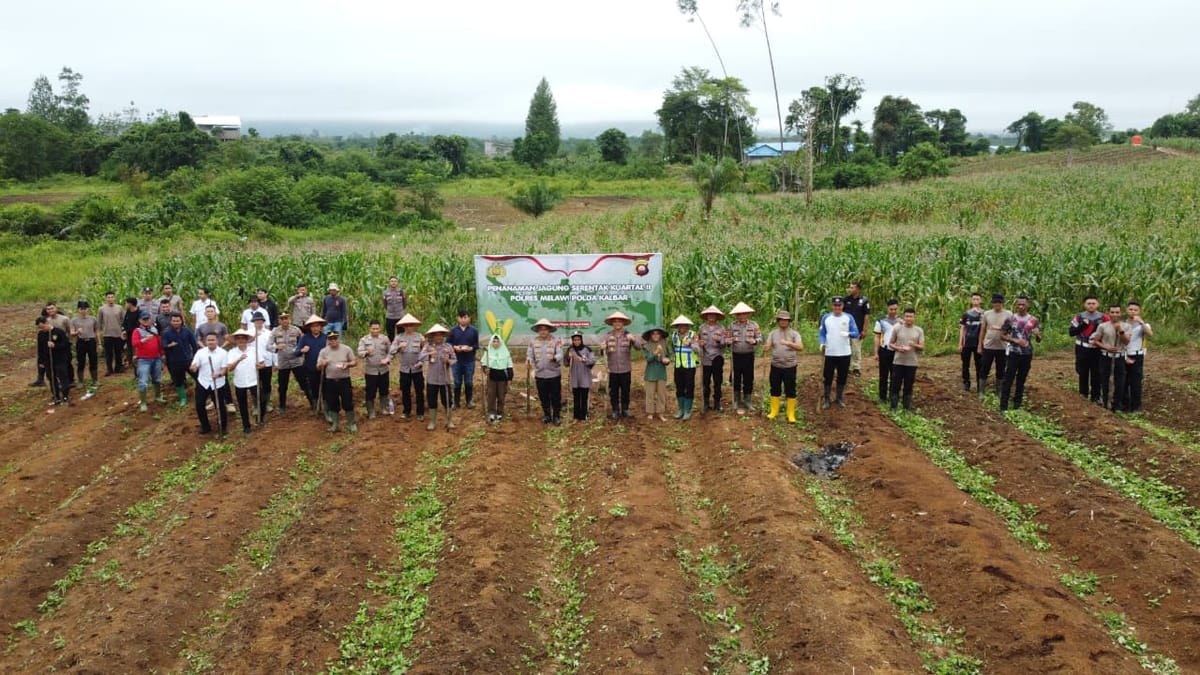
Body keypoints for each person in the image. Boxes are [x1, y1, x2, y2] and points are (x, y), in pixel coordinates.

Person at [999, 296, 1041, 412]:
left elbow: (1038, 339)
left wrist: (1037, 335)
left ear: (1028, 305)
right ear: (1016, 305)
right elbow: (1002, 335)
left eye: (1023, 304)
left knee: (1021, 380)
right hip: (1013, 352)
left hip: (1027, 354)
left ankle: (1017, 405)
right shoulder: (1011, 319)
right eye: (1019, 304)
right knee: (1008, 379)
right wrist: (1015, 340)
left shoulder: (1033, 320)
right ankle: (1003, 407)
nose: (1021, 307)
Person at [601, 311, 645, 420]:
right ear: (612, 323)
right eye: (615, 321)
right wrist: (602, 349)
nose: (617, 323)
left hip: (625, 369)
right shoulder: (607, 336)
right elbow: (602, 353)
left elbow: (639, 347)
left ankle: (625, 409)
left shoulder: (629, 335)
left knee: (625, 390)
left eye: (619, 321)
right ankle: (615, 410)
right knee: (613, 391)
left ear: (623, 323)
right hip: (612, 370)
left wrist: (634, 340)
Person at [818, 296, 859, 409]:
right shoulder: (826, 318)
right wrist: (822, 343)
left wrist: (848, 334)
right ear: (832, 306)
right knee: (828, 376)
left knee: (842, 376)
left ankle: (839, 397)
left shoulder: (848, 317)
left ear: (843, 306)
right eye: (835, 305)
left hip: (844, 353)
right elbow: (822, 333)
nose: (837, 307)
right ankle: (826, 398)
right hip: (830, 353)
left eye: (839, 305)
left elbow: (856, 333)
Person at [764, 310, 804, 423]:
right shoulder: (773, 333)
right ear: (778, 321)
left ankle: (790, 414)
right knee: (774, 388)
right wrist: (766, 347)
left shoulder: (794, 334)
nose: (783, 322)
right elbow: (768, 345)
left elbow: (800, 347)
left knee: (790, 389)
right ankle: (774, 411)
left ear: (789, 321)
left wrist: (788, 343)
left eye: (785, 320)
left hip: (790, 366)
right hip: (776, 365)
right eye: (781, 320)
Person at [190, 333, 231, 436]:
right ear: (205, 341)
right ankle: (205, 426)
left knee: (220, 405)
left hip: (217, 384)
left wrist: (219, 374)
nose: (211, 342)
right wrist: (193, 367)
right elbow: (194, 365)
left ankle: (223, 427)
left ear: (217, 341)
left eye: (213, 340)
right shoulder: (200, 353)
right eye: (209, 340)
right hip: (203, 383)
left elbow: (224, 369)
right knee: (199, 405)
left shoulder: (223, 353)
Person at [1090, 304, 1129, 411]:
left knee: (1120, 382)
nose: (1115, 314)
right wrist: (1106, 347)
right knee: (1105, 380)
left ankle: (1116, 405)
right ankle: (1105, 403)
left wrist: (1120, 331)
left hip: (1119, 357)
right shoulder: (1103, 326)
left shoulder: (1126, 326)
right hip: (1106, 357)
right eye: (1112, 312)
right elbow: (1096, 341)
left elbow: (1126, 341)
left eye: (1117, 312)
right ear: (1108, 313)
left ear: (1121, 313)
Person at [318, 330, 358, 432]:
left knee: (348, 402)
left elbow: (354, 362)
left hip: (344, 380)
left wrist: (348, 364)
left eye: (335, 338)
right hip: (330, 381)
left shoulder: (346, 349)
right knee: (332, 403)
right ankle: (335, 424)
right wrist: (322, 364)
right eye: (331, 339)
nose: (333, 341)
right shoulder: (323, 351)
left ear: (338, 338)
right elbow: (318, 366)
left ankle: (351, 424)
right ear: (328, 340)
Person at [420, 323, 457, 431]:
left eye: (440, 335)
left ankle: (449, 421)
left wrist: (448, 361)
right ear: (432, 336)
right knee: (432, 400)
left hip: (445, 379)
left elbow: (455, 359)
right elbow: (420, 357)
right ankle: (432, 422)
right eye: (436, 335)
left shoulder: (448, 347)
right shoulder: (428, 347)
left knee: (447, 400)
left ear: (443, 336)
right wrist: (429, 353)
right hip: (432, 379)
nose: (438, 337)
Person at [1069, 296, 1107, 403]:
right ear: (1084, 305)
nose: (1091, 305)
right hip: (1082, 348)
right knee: (1083, 372)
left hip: (1097, 349)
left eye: (1093, 303)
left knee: (1097, 373)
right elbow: (1071, 332)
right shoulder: (1079, 317)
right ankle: (1083, 395)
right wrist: (1082, 325)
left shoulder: (1103, 318)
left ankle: (1096, 396)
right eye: (1089, 303)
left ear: (1098, 304)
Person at [389, 314, 426, 420]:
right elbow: (391, 351)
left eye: (411, 325)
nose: (409, 327)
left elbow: (426, 351)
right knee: (405, 391)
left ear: (414, 326)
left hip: (417, 369)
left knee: (419, 391)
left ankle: (420, 412)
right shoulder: (399, 337)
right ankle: (407, 411)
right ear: (404, 326)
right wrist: (398, 346)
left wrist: (421, 362)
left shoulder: (420, 337)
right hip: (404, 369)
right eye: (407, 325)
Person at [887, 308, 925, 411]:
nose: (908, 318)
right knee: (895, 385)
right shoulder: (897, 329)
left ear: (914, 318)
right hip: (898, 361)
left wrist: (914, 345)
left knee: (908, 386)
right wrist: (898, 348)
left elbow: (922, 347)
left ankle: (906, 408)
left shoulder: (919, 330)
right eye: (907, 316)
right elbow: (890, 343)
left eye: (911, 316)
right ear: (904, 317)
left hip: (912, 363)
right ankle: (893, 407)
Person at [727, 302, 762, 414]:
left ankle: (747, 400)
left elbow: (760, 338)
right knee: (736, 377)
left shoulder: (754, 325)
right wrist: (729, 341)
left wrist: (755, 341)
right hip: (736, 355)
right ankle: (737, 400)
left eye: (744, 314)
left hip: (748, 355)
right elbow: (726, 339)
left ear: (748, 314)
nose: (742, 316)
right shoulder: (732, 326)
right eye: (739, 314)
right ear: (736, 315)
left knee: (748, 377)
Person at [527, 318, 564, 424]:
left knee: (556, 396)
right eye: (541, 329)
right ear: (538, 330)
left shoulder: (556, 341)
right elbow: (529, 355)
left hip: (554, 374)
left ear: (549, 330)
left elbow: (560, 354)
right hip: (540, 375)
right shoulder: (533, 342)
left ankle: (556, 416)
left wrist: (554, 357)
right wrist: (528, 361)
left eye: (545, 329)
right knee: (543, 396)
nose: (543, 331)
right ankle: (547, 415)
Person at [977, 293, 1013, 399]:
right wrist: (980, 344)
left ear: (1002, 303)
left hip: (1002, 347)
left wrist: (1001, 328)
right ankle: (981, 392)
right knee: (984, 369)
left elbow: (1012, 329)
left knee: (1001, 369)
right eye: (995, 302)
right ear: (992, 303)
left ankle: (999, 392)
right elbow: (982, 330)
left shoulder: (1009, 314)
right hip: (988, 346)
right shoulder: (986, 314)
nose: (997, 304)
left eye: (999, 302)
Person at [268, 312, 303, 413]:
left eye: (286, 318)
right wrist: (276, 347)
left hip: (296, 361)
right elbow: (268, 346)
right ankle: (282, 406)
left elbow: (302, 341)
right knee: (282, 386)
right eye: (282, 319)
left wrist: (298, 349)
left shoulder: (296, 330)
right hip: (283, 362)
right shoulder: (275, 331)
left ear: (289, 319)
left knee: (303, 382)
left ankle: (312, 403)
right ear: (279, 320)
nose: (284, 320)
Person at [161, 312, 197, 408]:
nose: (176, 323)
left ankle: (201, 395)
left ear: (181, 321)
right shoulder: (166, 332)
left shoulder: (187, 331)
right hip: (174, 361)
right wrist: (169, 345)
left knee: (198, 377)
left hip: (188, 360)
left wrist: (196, 357)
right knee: (178, 380)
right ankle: (183, 398)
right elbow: (163, 345)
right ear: (171, 321)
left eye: (178, 321)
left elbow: (194, 344)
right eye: (174, 321)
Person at [131, 311, 165, 412]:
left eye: (147, 319)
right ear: (140, 320)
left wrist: (162, 354)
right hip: (144, 359)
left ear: (150, 319)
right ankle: (143, 402)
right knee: (143, 381)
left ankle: (158, 396)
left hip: (156, 358)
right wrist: (144, 340)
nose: (146, 321)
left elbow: (159, 342)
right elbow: (134, 343)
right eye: (143, 319)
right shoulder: (137, 331)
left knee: (157, 378)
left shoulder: (154, 329)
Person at [358, 319, 392, 419]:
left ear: (380, 328)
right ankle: (371, 411)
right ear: (370, 328)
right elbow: (359, 353)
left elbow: (391, 352)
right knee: (370, 392)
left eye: (377, 328)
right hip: (371, 371)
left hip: (383, 370)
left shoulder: (385, 339)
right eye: (373, 329)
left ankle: (383, 408)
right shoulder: (364, 340)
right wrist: (366, 352)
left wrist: (387, 359)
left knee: (384, 390)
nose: (375, 331)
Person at [1122, 301, 1152, 413]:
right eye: (1130, 309)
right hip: (1123, 354)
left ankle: (1136, 406)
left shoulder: (1143, 325)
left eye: (1135, 310)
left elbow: (1150, 334)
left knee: (1136, 381)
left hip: (1137, 354)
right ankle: (1124, 404)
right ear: (1127, 310)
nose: (1133, 312)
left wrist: (1141, 322)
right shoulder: (1123, 324)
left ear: (1139, 311)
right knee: (1123, 380)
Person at [227, 329, 259, 434]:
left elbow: (261, 363)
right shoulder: (232, 352)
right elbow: (230, 368)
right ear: (236, 340)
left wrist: (260, 366)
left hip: (253, 380)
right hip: (240, 382)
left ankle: (260, 418)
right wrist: (238, 360)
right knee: (242, 405)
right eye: (238, 338)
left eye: (243, 338)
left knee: (261, 399)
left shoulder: (254, 350)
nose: (241, 340)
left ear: (246, 339)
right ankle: (246, 426)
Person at [294, 316, 328, 411]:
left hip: (324, 368)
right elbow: (296, 352)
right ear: (309, 328)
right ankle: (316, 404)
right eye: (313, 326)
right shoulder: (305, 338)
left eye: (317, 326)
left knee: (325, 387)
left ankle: (326, 407)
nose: (315, 328)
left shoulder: (326, 338)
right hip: (310, 367)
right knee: (313, 387)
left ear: (320, 327)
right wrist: (302, 350)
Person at [697, 305, 727, 412]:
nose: (711, 317)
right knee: (705, 382)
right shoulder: (701, 328)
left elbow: (725, 343)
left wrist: (719, 340)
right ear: (706, 316)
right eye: (709, 315)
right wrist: (699, 343)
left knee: (718, 381)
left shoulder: (721, 328)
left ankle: (717, 403)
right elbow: (697, 342)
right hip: (705, 358)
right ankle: (706, 403)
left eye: (713, 315)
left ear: (716, 317)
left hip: (717, 357)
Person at [36, 316, 72, 405]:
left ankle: (65, 396)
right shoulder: (40, 335)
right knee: (51, 378)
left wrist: (55, 346)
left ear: (47, 323)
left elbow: (66, 344)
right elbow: (40, 349)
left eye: (43, 327)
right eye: (40, 328)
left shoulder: (59, 332)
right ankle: (56, 396)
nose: (42, 329)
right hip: (48, 361)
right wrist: (41, 362)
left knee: (63, 377)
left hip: (60, 359)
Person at [669, 315, 699, 421]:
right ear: (677, 326)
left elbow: (699, 349)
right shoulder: (674, 335)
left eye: (684, 325)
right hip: (678, 366)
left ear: (687, 326)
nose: (682, 327)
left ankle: (687, 410)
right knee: (679, 387)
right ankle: (681, 409)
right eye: (680, 325)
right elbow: (673, 349)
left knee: (689, 387)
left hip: (690, 366)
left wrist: (691, 344)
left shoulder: (693, 335)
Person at [448, 309, 479, 409]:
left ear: (469, 318)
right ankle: (456, 402)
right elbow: (448, 343)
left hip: (469, 360)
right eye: (461, 317)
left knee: (469, 381)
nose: (463, 319)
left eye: (465, 317)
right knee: (457, 382)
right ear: (458, 318)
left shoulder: (474, 331)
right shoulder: (453, 331)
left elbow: (476, 344)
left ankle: (469, 401)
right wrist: (455, 347)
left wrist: (470, 348)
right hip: (456, 361)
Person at [481, 333, 514, 423]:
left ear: (500, 343)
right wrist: (485, 370)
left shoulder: (505, 352)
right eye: (494, 341)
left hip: (502, 377)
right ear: (491, 342)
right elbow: (484, 364)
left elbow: (510, 366)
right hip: (491, 377)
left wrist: (510, 378)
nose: (495, 343)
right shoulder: (487, 352)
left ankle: (500, 412)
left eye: (497, 341)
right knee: (491, 395)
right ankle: (491, 412)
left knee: (501, 395)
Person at [563, 331, 595, 421]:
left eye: (578, 339)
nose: (576, 341)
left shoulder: (587, 349)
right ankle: (576, 415)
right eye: (574, 340)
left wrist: (584, 360)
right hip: (575, 378)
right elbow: (565, 363)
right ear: (572, 341)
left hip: (584, 377)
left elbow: (593, 360)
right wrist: (568, 358)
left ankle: (584, 415)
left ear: (581, 340)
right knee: (576, 397)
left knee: (584, 397)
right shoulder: (570, 349)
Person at [641, 326, 671, 422]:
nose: (655, 335)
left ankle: (660, 412)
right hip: (650, 373)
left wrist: (667, 360)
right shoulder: (646, 346)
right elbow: (648, 359)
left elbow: (668, 357)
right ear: (650, 335)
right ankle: (650, 413)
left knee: (661, 394)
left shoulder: (664, 344)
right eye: (653, 333)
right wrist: (655, 353)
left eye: (657, 333)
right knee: (650, 394)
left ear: (660, 335)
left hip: (661, 373)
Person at [873, 300, 900, 402]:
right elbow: (877, 336)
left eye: (895, 309)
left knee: (895, 375)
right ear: (887, 308)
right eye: (891, 309)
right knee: (883, 375)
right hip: (884, 350)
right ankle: (882, 397)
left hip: (897, 351)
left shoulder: (901, 321)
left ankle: (893, 396)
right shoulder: (881, 321)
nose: (893, 311)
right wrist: (876, 352)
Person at [70, 300, 100, 387]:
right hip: (80, 342)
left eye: (85, 308)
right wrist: (77, 332)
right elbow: (71, 333)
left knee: (93, 360)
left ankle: (95, 380)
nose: (83, 310)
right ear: (78, 310)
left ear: (88, 309)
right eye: (81, 308)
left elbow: (97, 331)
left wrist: (99, 343)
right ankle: (80, 381)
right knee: (80, 361)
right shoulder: (74, 320)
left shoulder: (93, 319)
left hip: (91, 341)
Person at [844, 282, 871, 377]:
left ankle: (856, 368)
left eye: (852, 288)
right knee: (846, 348)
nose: (850, 289)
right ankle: (848, 368)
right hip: (846, 330)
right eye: (849, 287)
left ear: (858, 289)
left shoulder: (864, 301)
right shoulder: (846, 299)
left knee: (856, 349)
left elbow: (866, 316)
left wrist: (865, 330)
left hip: (858, 330)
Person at [958, 293, 984, 391]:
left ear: (981, 301)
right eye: (974, 299)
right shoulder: (966, 314)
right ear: (971, 301)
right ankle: (966, 383)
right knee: (965, 364)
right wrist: (960, 343)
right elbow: (962, 329)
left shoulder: (984, 314)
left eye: (978, 299)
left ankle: (979, 385)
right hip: (967, 343)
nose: (976, 301)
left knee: (979, 365)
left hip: (978, 344)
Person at [251, 312, 274, 423]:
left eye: (260, 320)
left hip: (267, 362)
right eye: (256, 320)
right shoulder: (249, 334)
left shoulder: (269, 333)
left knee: (266, 383)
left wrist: (276, 362)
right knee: (254, 384)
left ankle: (267, 402)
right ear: (253, 322)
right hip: (254, 363)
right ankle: (256, 405)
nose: (258, 322)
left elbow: (273, 348)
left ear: (263, 321)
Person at [98, 291, 126, 376]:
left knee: (118, 352)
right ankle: (109, 369)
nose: (110, 299)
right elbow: (99, 322)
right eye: (108, 297)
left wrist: (123, 331)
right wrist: (99, 333)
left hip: (118, 334)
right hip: (107, 334)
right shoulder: (101, 309)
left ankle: (118, 367)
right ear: (106, 298)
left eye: (112, 297)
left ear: (114, 298)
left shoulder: (119, 308)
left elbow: (124, 320)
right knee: (108, 353)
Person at [383, 277, 409, 341]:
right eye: (392, 281)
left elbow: (404, 304)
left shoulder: (402, 292)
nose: (393, 282)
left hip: (400, 316)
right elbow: (385, 304)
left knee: (401, 334)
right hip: (390, 316)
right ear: (389, 283)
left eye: (395, 281)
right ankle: (392, 349)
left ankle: (400, 348)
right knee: (390, 334)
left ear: (397, 283)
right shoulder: (385, 293)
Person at [121, 297, 140, 373]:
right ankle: (131, 364)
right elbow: (125, 323)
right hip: (128, 336)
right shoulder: (128, 312)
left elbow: (137, 325)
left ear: (130, 304)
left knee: (136, 352)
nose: (125, 305)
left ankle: (137, 370)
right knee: (129, 351)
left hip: (136, 336)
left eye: (126, 303)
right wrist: (124, 330)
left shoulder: (139, 313)